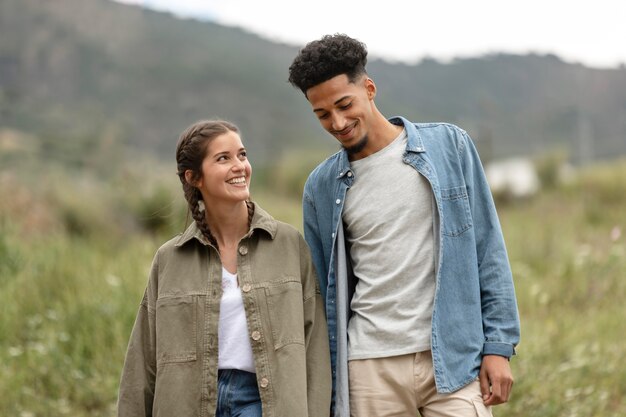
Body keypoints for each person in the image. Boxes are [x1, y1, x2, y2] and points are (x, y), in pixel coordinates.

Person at [288, 34, 521, 417]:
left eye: (345, 105)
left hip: (452, 358)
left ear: (369, 87)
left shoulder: (450, 147)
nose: (338, 122)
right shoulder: (321, 186)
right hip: (368, 367)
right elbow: (319, 290)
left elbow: (487, 247)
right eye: (323, 114)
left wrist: (497, 346)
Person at [116, 119, 331, 417]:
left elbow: (315, 345)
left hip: (264, 404)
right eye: (223, 158)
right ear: (194, 177)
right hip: (187, 403)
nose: (239, 166)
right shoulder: (170, 258)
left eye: (242, 155)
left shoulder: (288, 244)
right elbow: (144, 359)